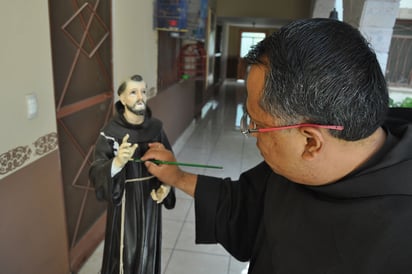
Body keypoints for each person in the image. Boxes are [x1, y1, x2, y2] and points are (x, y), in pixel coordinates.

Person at [141, 18, 412, 273]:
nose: (253, 134)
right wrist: (176, 176)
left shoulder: (399, 240)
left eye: (257, 124)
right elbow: (244, 207)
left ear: (310, 142)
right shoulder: (292, 165)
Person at [89, 74, 176, 274]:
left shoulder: (156, 129)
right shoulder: (110, 133)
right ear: (122, 98)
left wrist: (166, 185)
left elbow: (169, 160)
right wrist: (117, 162)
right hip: (125, 206)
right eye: (133, 92)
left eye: (143, 92)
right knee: (126, 256)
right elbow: (96, 171)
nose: (140, 97)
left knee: (149, 250)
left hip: (151, 201)